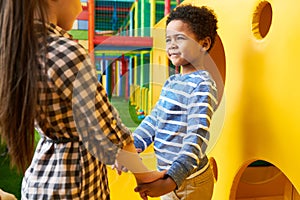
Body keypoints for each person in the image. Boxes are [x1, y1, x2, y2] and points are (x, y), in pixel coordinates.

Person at [0, 0, 164, 199]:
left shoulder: (21, 49)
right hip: (74, 183)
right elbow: (106, 124)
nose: (80, 7)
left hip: (42, 177)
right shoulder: (65, 51)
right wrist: (144, 175)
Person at [133, 4, 219, 200]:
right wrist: (135, 143)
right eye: (168, 40)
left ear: (204, 44)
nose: (171, 45)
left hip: (189, 180)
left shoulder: (202, 85)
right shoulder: (172, 82)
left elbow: (196, 135)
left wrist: (171, 180)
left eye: (179, 38)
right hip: (167, 174)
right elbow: (155, 119)